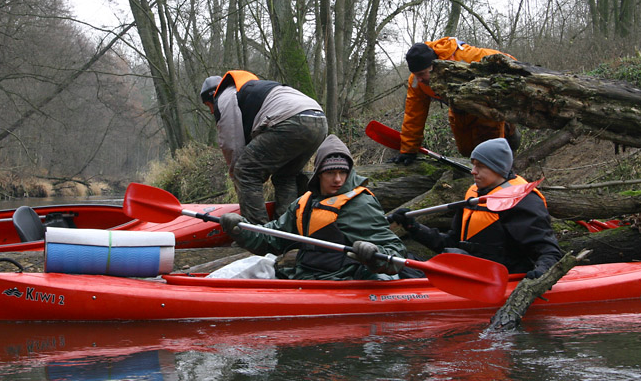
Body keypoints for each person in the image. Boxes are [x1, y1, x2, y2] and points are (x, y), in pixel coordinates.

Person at [219, 134, 407, 280]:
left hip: (345, 279)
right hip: (306, 276)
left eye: (343, 172)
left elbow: (395, 250)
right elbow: (272, 239)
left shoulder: (360, 203)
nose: (338, 179)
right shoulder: (304, 203)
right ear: (319, 175)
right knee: (255, 265)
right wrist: (240, 229)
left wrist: (374, 254)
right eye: (330, 173)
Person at [390, 138, 562, 278]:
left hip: (500, 278)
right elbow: (451, 242)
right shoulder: (474, 195)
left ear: (497, 168)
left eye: (480, 166)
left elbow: (548, 251)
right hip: (469, 271)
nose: (473, 171)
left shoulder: (522, 200)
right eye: (473, 164)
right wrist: (414, 228)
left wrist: (542, 274)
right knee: (400, 262)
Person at [200, 71, 328, 224]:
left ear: (213, 96)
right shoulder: (251, 90)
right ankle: (286, 228)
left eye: (208, 106)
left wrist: (238, 179)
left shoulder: (224, 97)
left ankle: (257, 232)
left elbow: (231, 145)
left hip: (291, 121)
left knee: (245, 171)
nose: (211, 111)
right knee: (285, 176)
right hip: (319, 120)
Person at [391, 37, 520, 165]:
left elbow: (510, 62)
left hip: (486, 107)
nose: (419, 79)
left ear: (434, 66)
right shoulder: (416, 81)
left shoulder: (466, 57)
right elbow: (413, 115)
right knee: (466, 150)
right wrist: (408, 150)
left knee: (490, 152)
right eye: (415, 74)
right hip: (459, 111)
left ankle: (507, 133)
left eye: (422, 74)